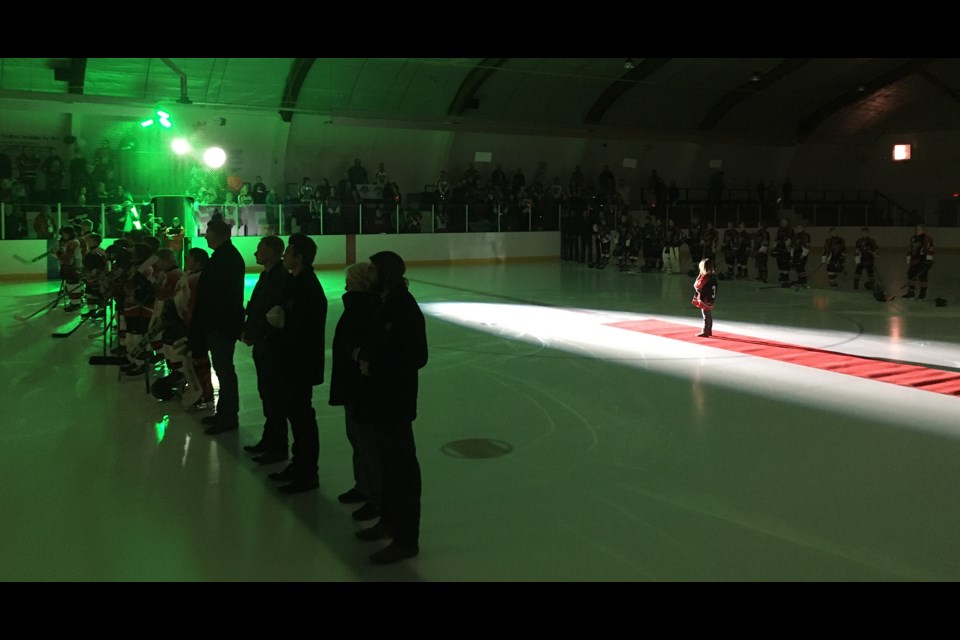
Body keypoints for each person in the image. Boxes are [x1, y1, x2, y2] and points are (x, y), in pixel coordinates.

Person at [353, 251, 428, 564]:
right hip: (380, 398)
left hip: (395, 400)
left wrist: (375, 365)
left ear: (385, 273)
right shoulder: (383, 303)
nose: (367, 274)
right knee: (386, 465)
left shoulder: (403, 307)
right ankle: (388, 521)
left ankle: (406, 539)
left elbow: (417, 356)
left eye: (372, 269)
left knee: (401, 470)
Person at [264, 233, 328, 494]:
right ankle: (298, 464)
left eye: (288, 253)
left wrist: (281, 322)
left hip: (299, 364)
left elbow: (304, 329)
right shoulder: (294, 282)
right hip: (289, 361)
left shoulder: (308, 287)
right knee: (295, 414)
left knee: (302, 417)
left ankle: (307, 471)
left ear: (299, 258)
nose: (284, 257)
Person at [330, 262, 383, 522]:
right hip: (351, 382)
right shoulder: (356, 305)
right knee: (356, 437)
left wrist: (355, 355)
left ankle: (376, 496)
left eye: (350, 280)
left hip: (360, 384)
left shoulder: (365, 307)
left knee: (366, 440)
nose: (346, 284)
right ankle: (363, 485)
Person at [192, 218, 246, 434]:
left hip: (221, 325)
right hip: (218, 324)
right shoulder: (223, 256)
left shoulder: (227, 259)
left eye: (208, 231)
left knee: (224, 370)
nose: (205, 235)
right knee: (223, 370)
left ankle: (229, 415)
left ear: (218, 234)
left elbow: (220, 297)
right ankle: (224, 413)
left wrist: (208, 323)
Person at [241, 236, 290, 464]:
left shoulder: (279, 278)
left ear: (272, 252)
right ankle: (270, 439)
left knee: (274, 396)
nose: (255, 253)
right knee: (267, 394)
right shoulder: (267, 275)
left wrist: (257, 332)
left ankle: (277, 445)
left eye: (260, 249)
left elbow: (270, 312)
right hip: (263, 343)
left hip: (271, 346)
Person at [903, 224, 935, 300]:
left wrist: (928, 260)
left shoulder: (927, 238)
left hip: (923, 261)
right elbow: (910, 249)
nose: (917, 231)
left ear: (923, 230)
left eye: (919, 229)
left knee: (922, 277)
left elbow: (930, 249)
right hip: (914, 261)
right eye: (916, 229)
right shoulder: (913, 238)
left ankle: (922, 294)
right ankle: (911, 293)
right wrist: (908, 258)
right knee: (911, 275)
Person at [691, 257, 718, 338]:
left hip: (705, 299)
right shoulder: (713, 277)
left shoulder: (705, 277)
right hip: (711, 298)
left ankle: (705, 331)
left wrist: (699, 276)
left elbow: (696, 286)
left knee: (705, 314)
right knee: (709, 314)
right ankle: (709, 330)